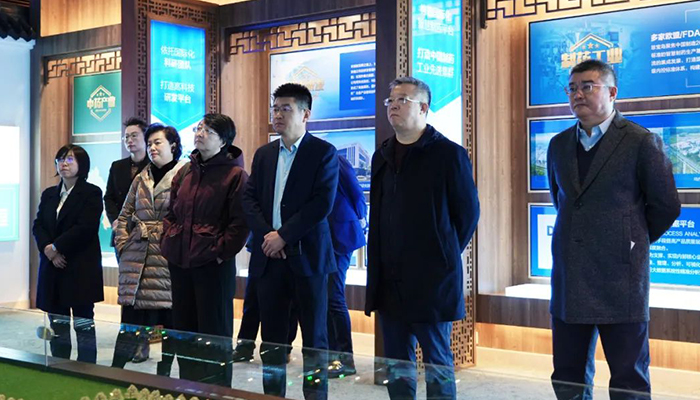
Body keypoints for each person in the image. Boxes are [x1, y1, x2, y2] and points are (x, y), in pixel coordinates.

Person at [547, 59, 680, 400]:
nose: (578, 94)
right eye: (572, 88)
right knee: (568, 377)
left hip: (621, 278)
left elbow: (666, 205)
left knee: (628, 379)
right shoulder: (558, 145)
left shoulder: (640, 141)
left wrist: (629, 242)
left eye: (587, 86)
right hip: (570, 277)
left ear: (612, 92)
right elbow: (561, 200)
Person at [364, 76, 480, 400]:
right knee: (396, 366)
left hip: (432, 280)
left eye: (403, 100)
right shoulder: (382, 155)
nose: (393, 106)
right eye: (390, 101)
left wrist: (442, 252)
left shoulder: (448, 154)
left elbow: (468, 214)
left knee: (437, 362)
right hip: (389, 279)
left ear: (424, 108)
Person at [243, 83, 339, 400]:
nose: (278, 115)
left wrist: (283, 236)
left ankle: (315, 396)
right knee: (272, 341)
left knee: (315, 340)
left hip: (309, 258)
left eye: (286, 108)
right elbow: (250, 199)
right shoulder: (264, 154)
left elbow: (321, 204)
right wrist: (268, 237)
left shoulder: (323, 153)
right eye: (275, 108)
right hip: (269, 259)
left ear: (305, 114)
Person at [232, 155, 366, 380]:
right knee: (290, 293)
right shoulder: (277, 159)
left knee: (332, 296)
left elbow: (354, 192)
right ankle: (285, 349)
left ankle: (343, 358)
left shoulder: (327, 155)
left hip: (337, 234)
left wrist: (361, 218)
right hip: (300, 238)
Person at [161, 113, 249, 387]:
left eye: (209, 131)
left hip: (213, 265)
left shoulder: (236, 175)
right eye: (199, 128)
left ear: (224, 141)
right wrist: (169, 241)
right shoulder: (185, 172)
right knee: (184, 331)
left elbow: (240, 224)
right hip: (181, 263)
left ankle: (217, 390)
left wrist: (219, 252)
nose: (200, 133)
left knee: (214, 333)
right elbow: (172, 213)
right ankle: (188, 387)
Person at [111, 124, 187, 376]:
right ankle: (115, 373)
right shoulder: (141, 177)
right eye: (150, 143)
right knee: (130, 323)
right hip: (138, 258)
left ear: (173, 145)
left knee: (170, 324)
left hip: (167, 258)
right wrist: (123, 245)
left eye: (158, 142)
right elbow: (124, 215)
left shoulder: (184, 173)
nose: (152, 147)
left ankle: (163, 376)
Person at [33, 144, 104, 363]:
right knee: (58, 325)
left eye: (70, 159)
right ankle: (59, 364)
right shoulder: (49, 194)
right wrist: (49, 250)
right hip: (53, 268)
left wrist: (56, 248)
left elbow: (85, 227)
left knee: (83, 324)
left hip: (79, 267)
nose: (64, 163)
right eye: (61, 159)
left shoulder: (91, 193)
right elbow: (38, 226)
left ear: (82, 164)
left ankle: (87, 368)